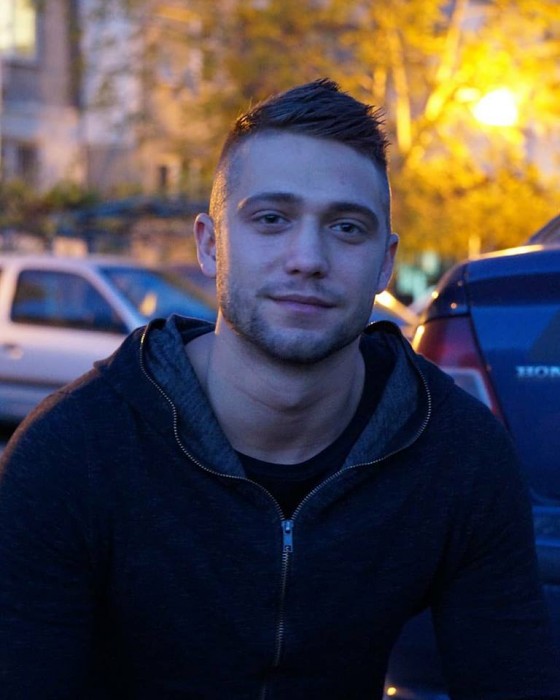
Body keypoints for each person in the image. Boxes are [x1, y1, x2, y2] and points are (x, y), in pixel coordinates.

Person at [0, 79, 558, 700]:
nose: (307, 257)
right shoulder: (72, 452)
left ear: (385, 263)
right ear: (210, 245)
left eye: (347, 227)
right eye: (271, 219)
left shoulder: (457, 454)